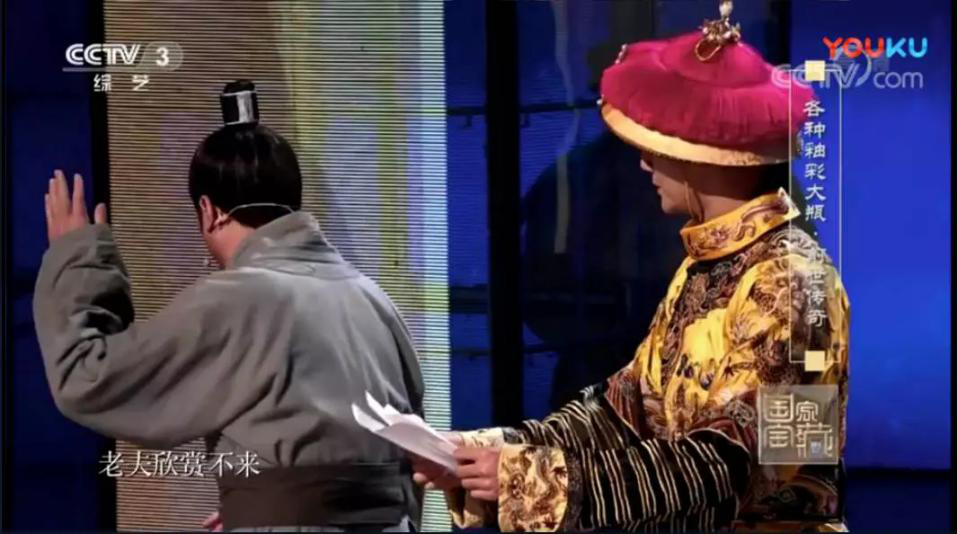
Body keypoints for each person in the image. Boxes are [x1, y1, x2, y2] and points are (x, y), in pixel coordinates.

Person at [412, 2, 849, 532]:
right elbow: (626, 409)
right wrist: (490, 450)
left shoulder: (793, 280)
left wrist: (535, 476)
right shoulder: (704, 267)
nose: (645, 162)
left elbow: (743, 461)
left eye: (656, 145)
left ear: (703, 153)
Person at [34, 81, 424, 532]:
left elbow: (89, 376)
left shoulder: (238, 297)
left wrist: (78, 256)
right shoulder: (373, 298)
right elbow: (415, 456)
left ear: (209, 210)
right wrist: (272, 503)